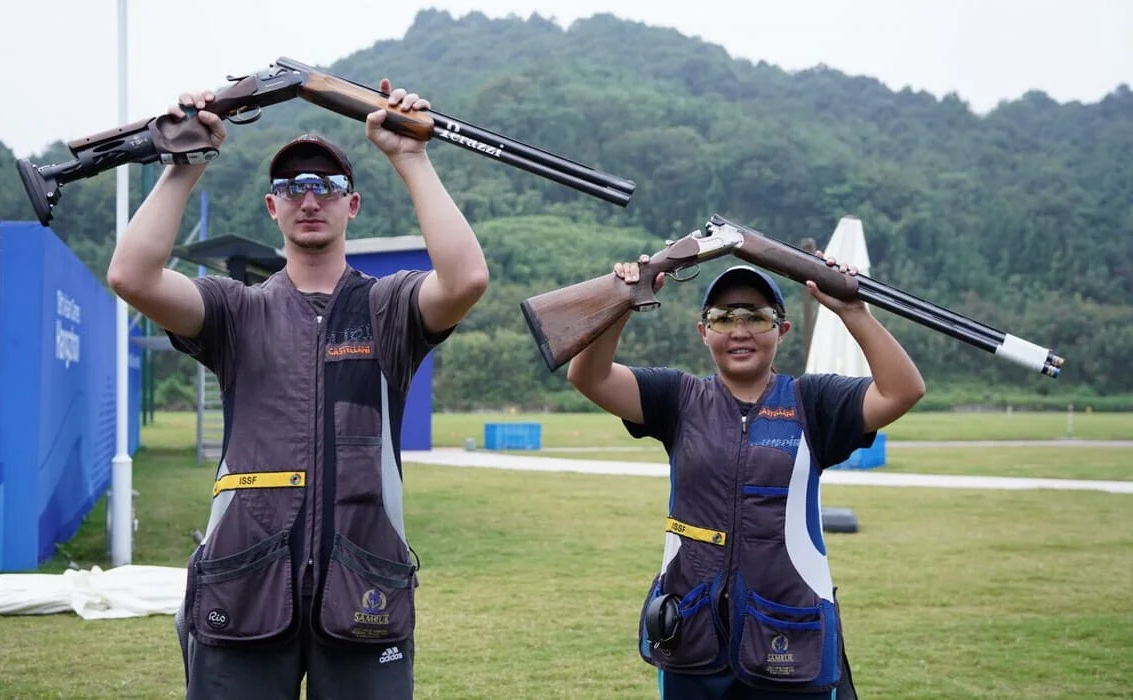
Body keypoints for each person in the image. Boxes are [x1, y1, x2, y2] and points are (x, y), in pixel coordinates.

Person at [107, 79, 489, 699]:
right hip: (243, 583)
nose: (310, 199)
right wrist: (184, 165)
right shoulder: (234, 311)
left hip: (364, 585)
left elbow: (467, 277)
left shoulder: (388, 309)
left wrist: (410, 157)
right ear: (272, 207)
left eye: (328, 187)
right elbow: (131, 274)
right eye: (292, 188)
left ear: (353, 205)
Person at [566, 254, 925, 699]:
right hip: (691, 635)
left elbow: (903, 390)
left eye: (756, 317)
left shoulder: (812, 401)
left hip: (791, 636)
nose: (739, 331)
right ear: (703, 332)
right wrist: (622, 300)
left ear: (782, 330)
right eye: (723, 318)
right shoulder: (678, 397)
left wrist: (852, 311)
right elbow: (588, 375)